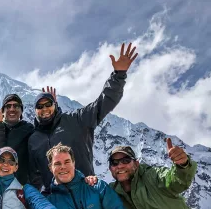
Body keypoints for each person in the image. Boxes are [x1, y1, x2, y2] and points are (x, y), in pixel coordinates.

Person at [28, 43, 138, 191]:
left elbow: (102, 104)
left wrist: (118, 76)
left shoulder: (76, 120)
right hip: (57, 199)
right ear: (34, 111)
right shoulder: (33, 139)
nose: (45, 109)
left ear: (55, 105)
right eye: (40, 107)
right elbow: (35, 175)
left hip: (86, 190)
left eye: (48, 104)